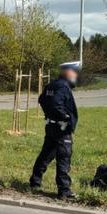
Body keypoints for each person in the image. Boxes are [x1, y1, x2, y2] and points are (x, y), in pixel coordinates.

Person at [29, 61, 80, 199]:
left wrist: (49, 115)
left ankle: (35, 181)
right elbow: (56, 104)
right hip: (61, 128)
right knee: (64, 156)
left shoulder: (52, 84)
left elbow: (42, 99)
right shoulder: (63, 87)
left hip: (51, 126)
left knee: (46, 154)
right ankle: (64, 190)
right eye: (74, 72)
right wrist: (65, 117)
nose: (75, 75)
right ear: (68, 72)